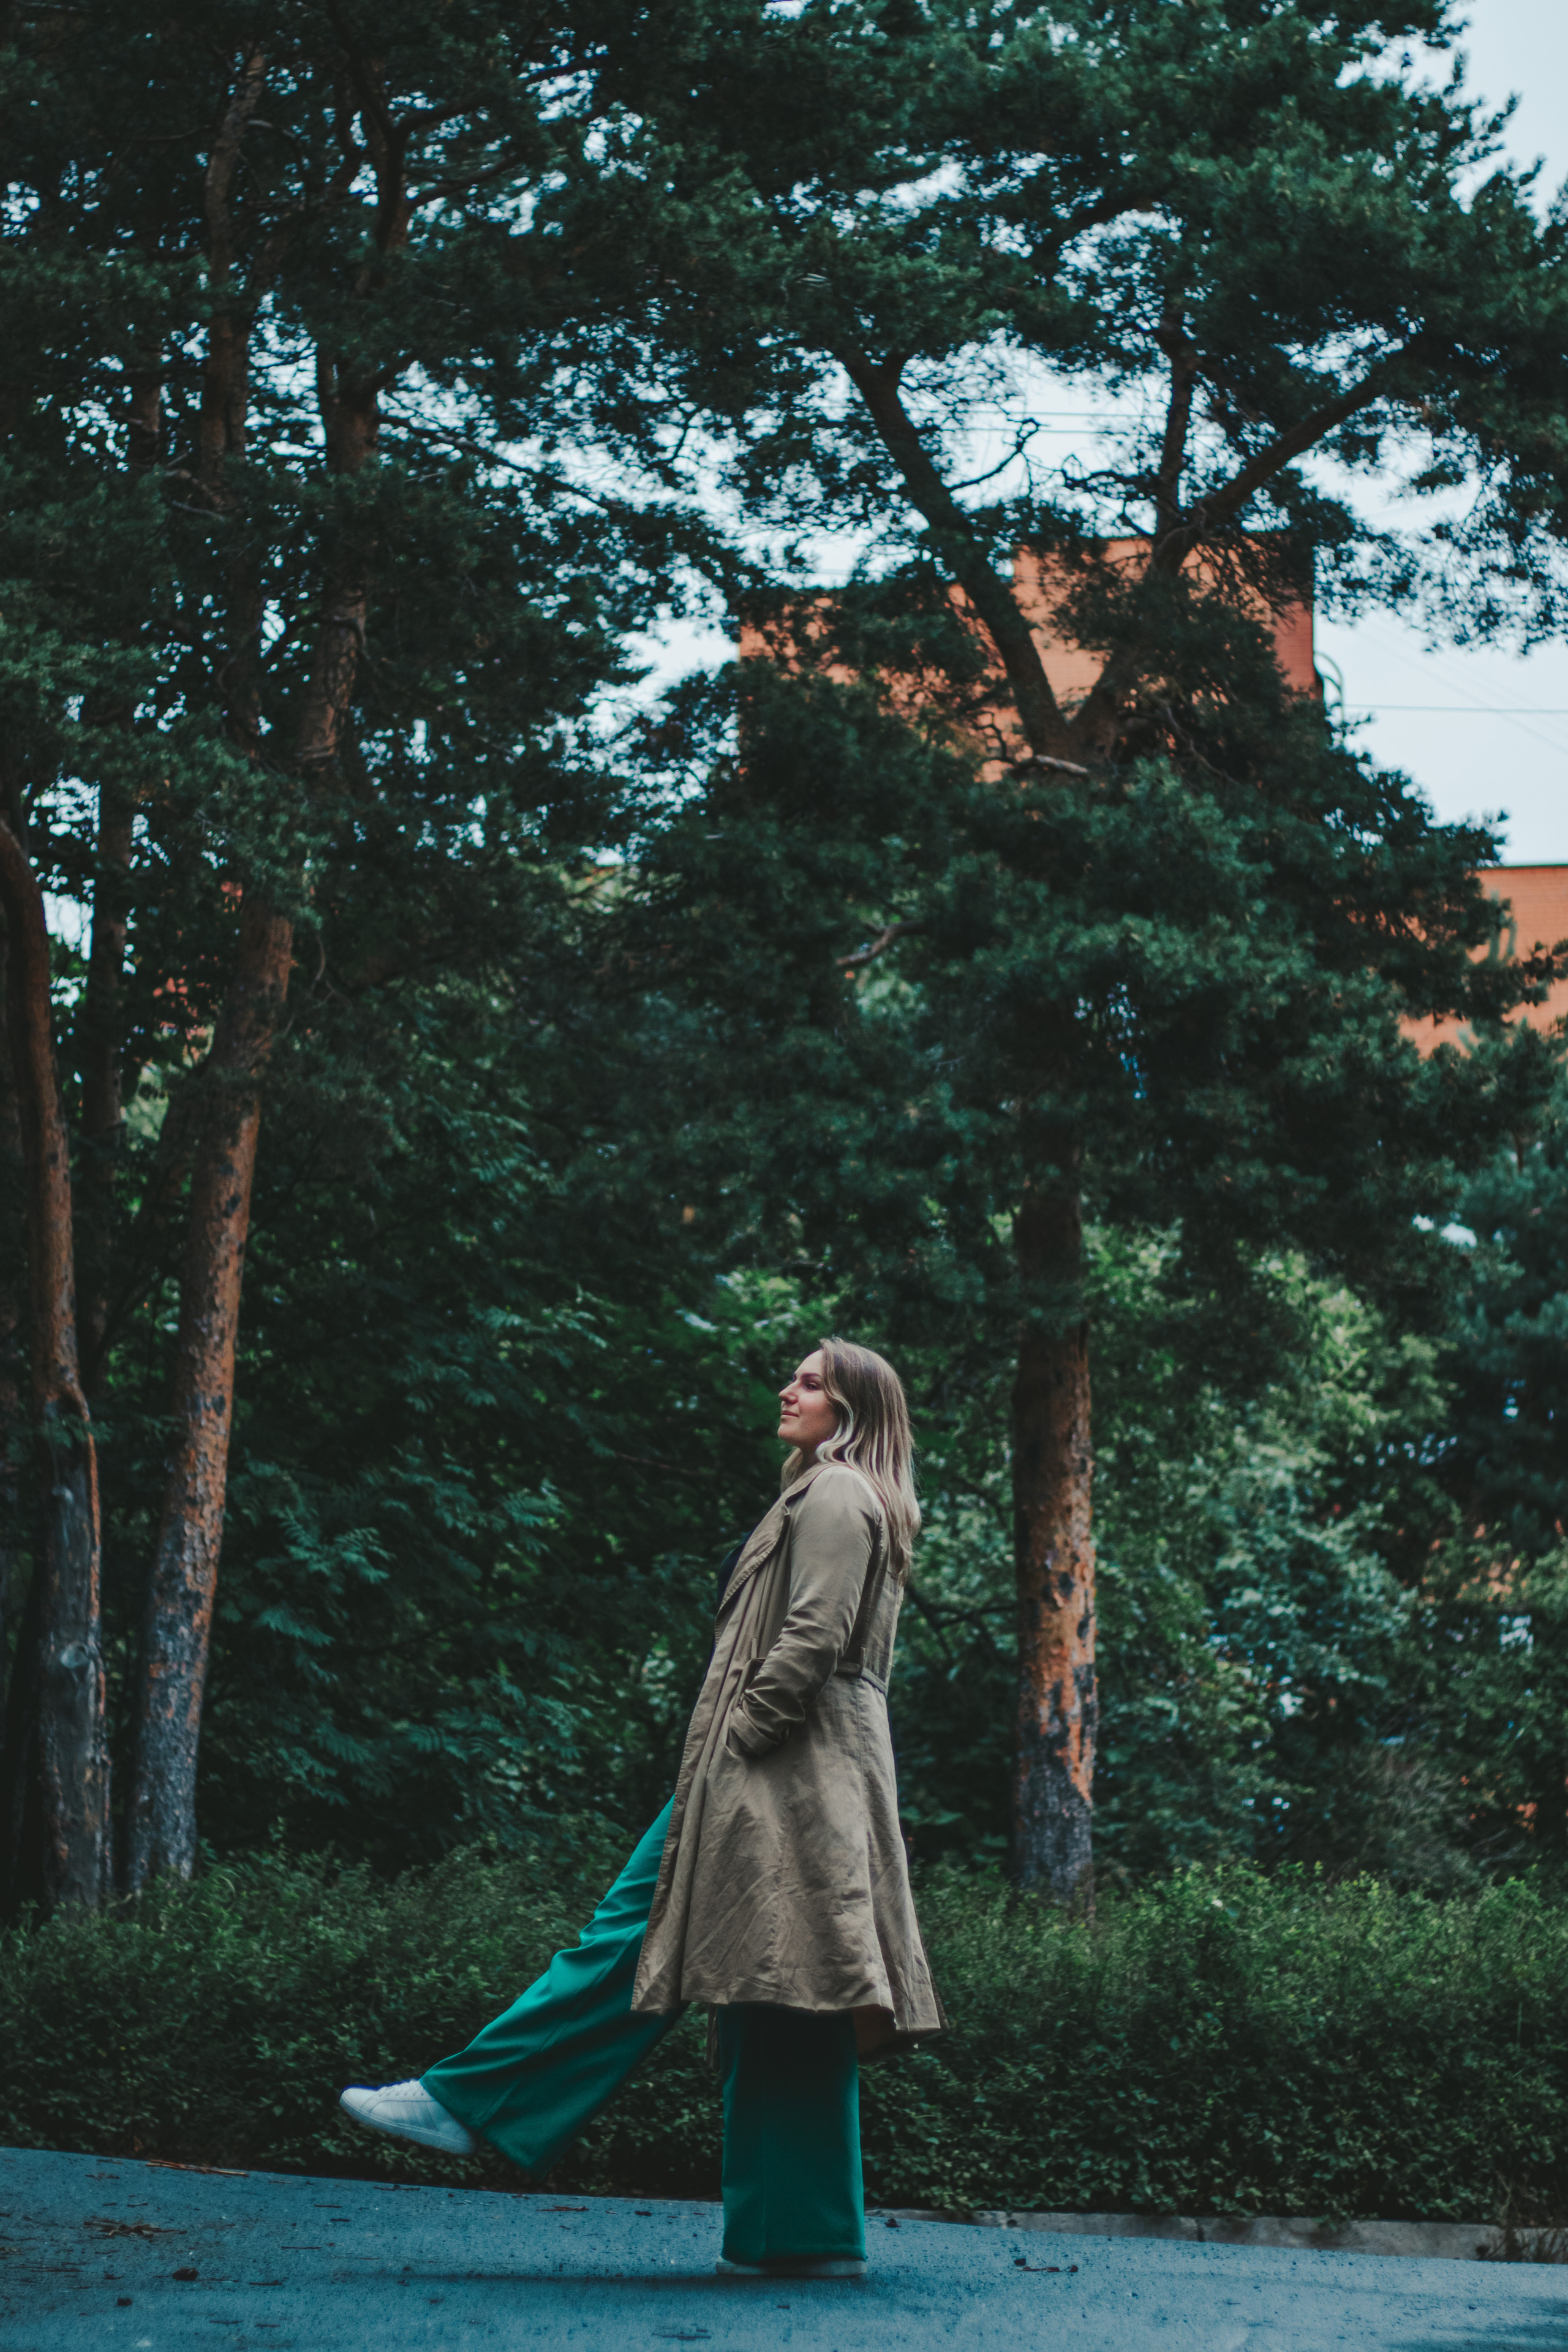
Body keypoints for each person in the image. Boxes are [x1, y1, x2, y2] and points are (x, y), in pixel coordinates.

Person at [340, 1338, 943, 2277]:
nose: (790, 1389)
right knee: (785, 1991)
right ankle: (805, 2235)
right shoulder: (846, 1495)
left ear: (854, 1412)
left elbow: (815, 1633)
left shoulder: (833, 1492)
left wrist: (740, 1736)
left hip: (781, 1765)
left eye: (813, 1382)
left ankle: (472, 2102)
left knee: (636, 1927)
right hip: (820, 1772)